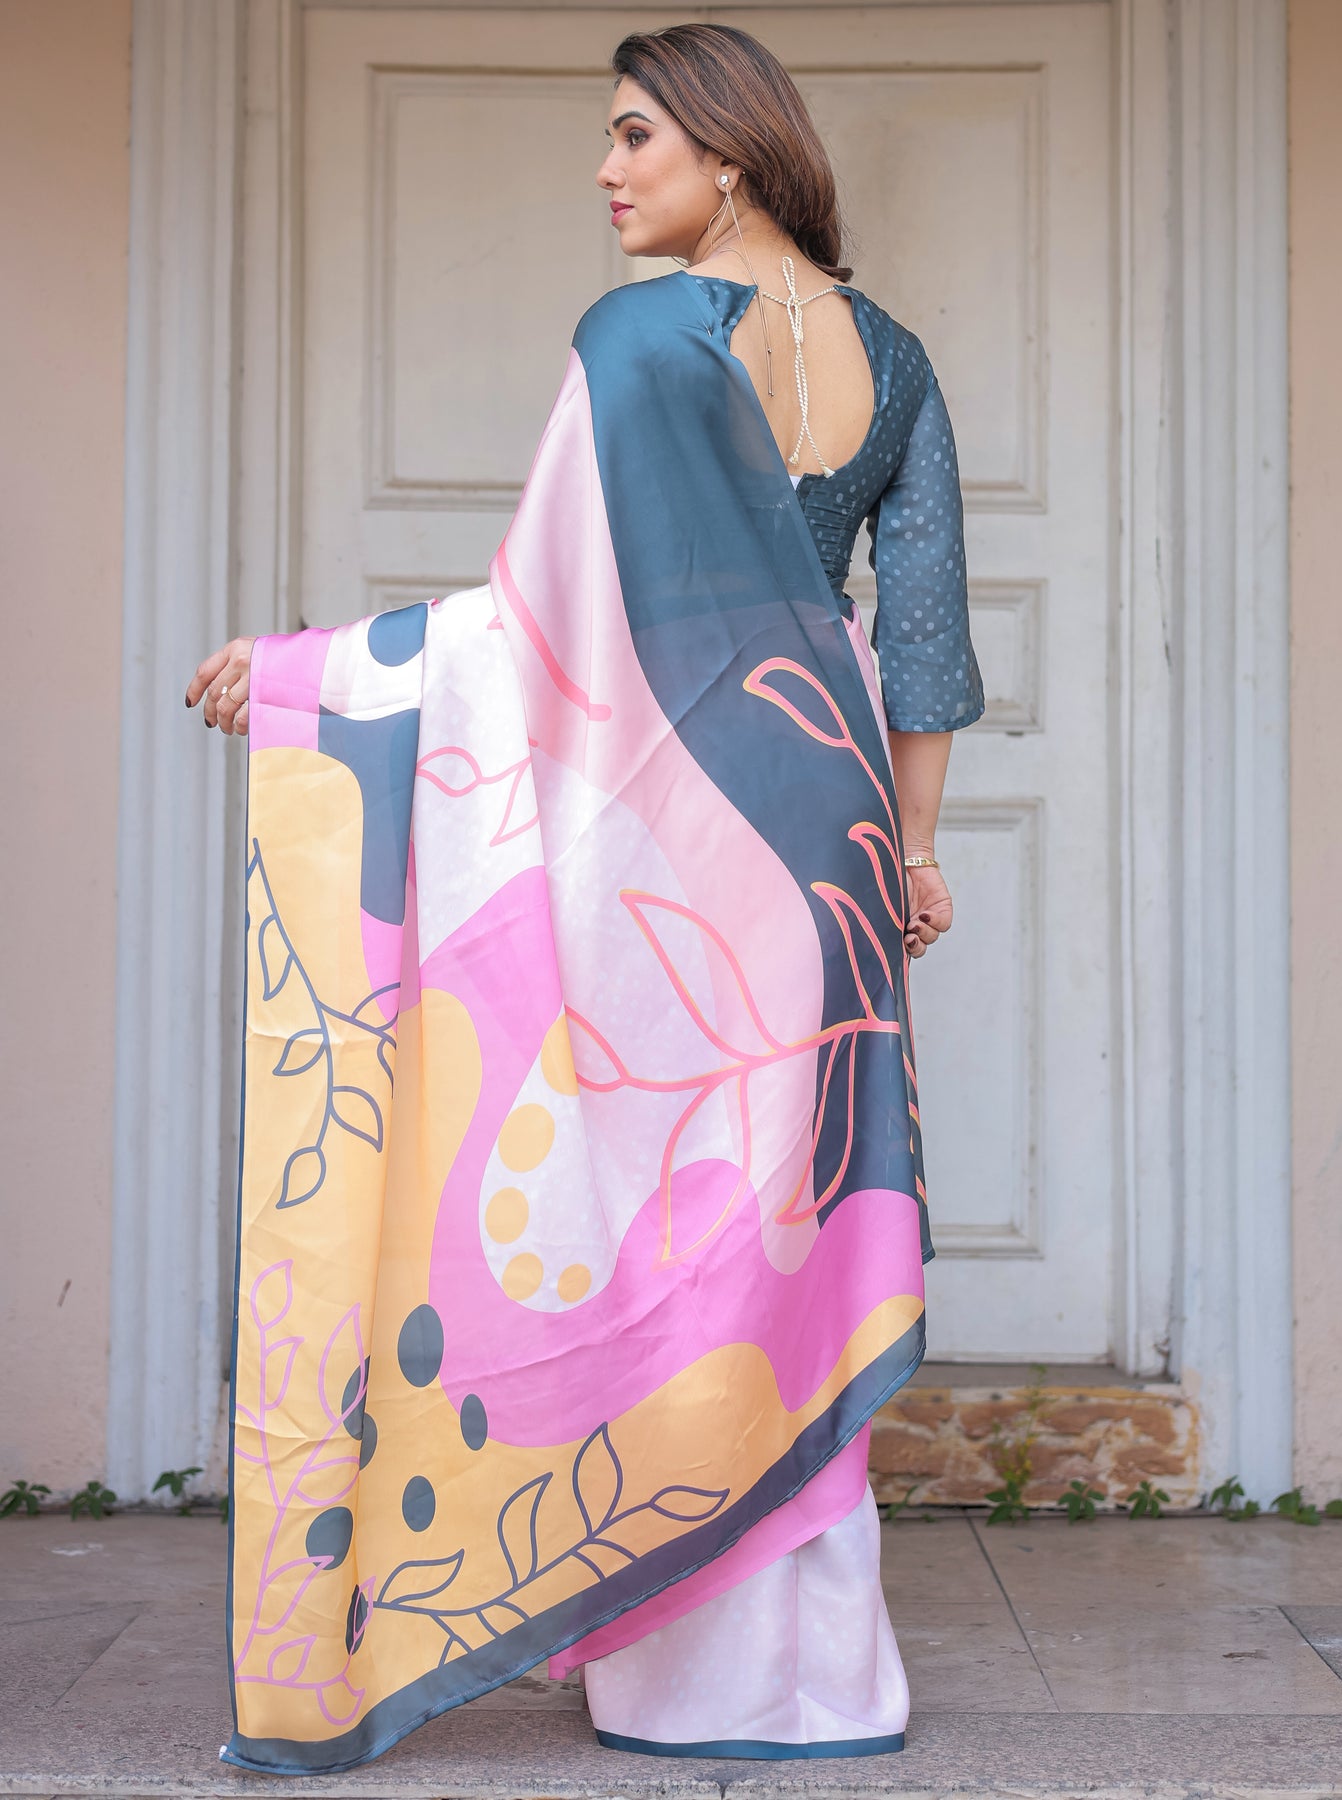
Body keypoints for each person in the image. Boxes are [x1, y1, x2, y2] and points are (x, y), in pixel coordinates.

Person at [188, 22, 983, 1774]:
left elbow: (546, 617)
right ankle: (814, 1676)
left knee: (657, 1210)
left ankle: (675, 1654)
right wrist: (913, 852)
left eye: (636, 136)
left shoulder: (641, 335)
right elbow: (922, 638)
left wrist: (317, 672)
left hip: (672, 813)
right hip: (827, 822)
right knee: (778, 1219)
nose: (608, 171)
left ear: (727, 148)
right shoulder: (896, 359)